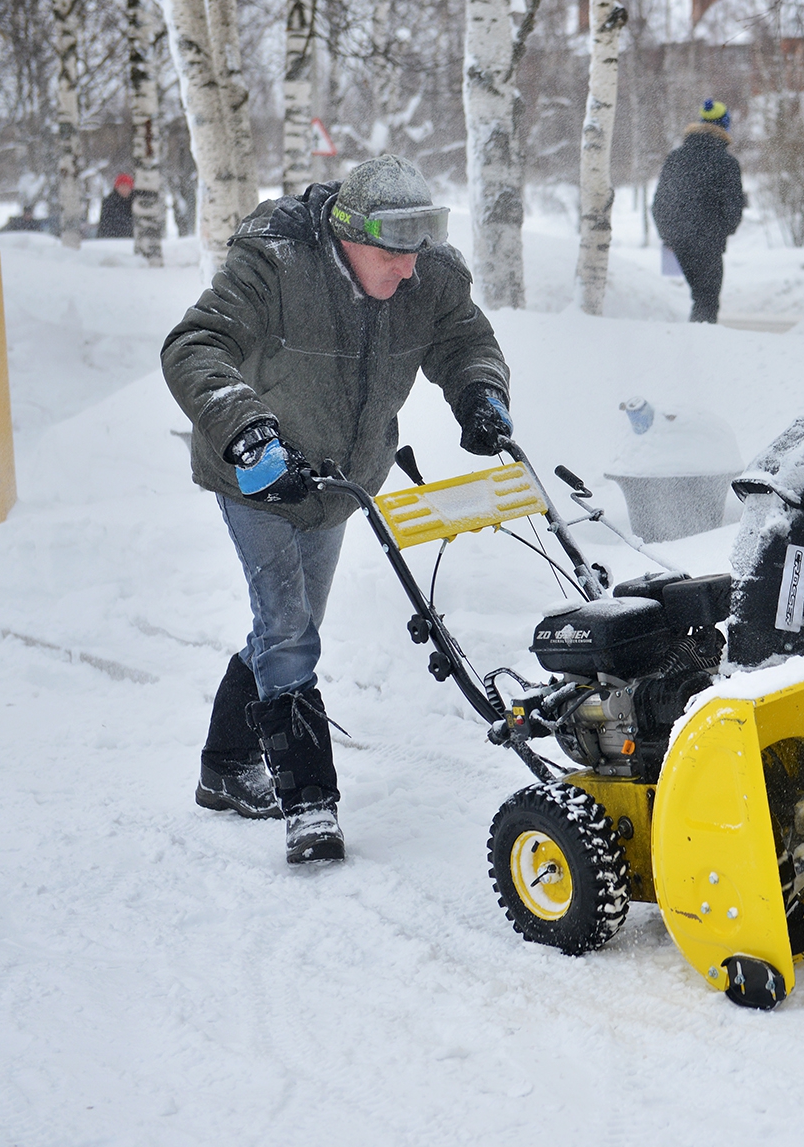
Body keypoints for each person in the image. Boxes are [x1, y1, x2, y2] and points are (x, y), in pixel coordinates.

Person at [161, 154, 514, 865]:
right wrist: (245, 427)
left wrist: (479, 391)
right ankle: (310, 804)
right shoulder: (278, 261)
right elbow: (195, 345)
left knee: (288, 626)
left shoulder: (426, 275)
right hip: (257, 474)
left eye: (418, 252)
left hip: (339, 481)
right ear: (348, 235)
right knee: (289, 633)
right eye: (393, 252)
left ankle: (223, 768)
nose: (409, 269)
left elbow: (465, 340)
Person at [652, 99, 746, 323]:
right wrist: (720, 231)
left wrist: (669, 234)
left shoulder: (676, 157)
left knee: (701, 298)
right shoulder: (726, 163)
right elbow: (733, 207)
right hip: (708, 243)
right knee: (707, 300)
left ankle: (694, 345)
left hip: (679, 242)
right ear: (724, 126)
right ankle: (699, 349)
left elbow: (660, 202)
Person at [98, 173, 135, 238]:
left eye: (127, 186)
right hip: (113, 239)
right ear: (117, 187)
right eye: (122, 186)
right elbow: (105, 224)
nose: (124, 189)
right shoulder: (109, 202)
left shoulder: (136, 202)